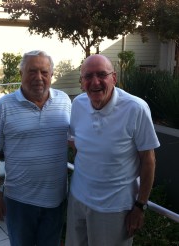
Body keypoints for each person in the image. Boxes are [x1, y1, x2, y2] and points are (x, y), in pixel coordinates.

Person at [66, 54, 160, 246]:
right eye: (88, 76)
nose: (95, 82)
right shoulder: (78, 104)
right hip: (77, 200)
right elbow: (77, 145)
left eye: (102, 74)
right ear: (81, 82)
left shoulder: (136, 108)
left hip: (114, 209)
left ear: (114, 78)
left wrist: (140, 206)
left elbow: (148, 161)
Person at [0, 50, 71, 246]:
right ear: (21, 74)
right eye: (32, 71)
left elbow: (74, 141)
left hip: (56, 201)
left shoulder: (64, 101)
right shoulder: (3, 107)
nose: (39, 78)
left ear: (51, 75)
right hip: (20, 202)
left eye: (44, 72)